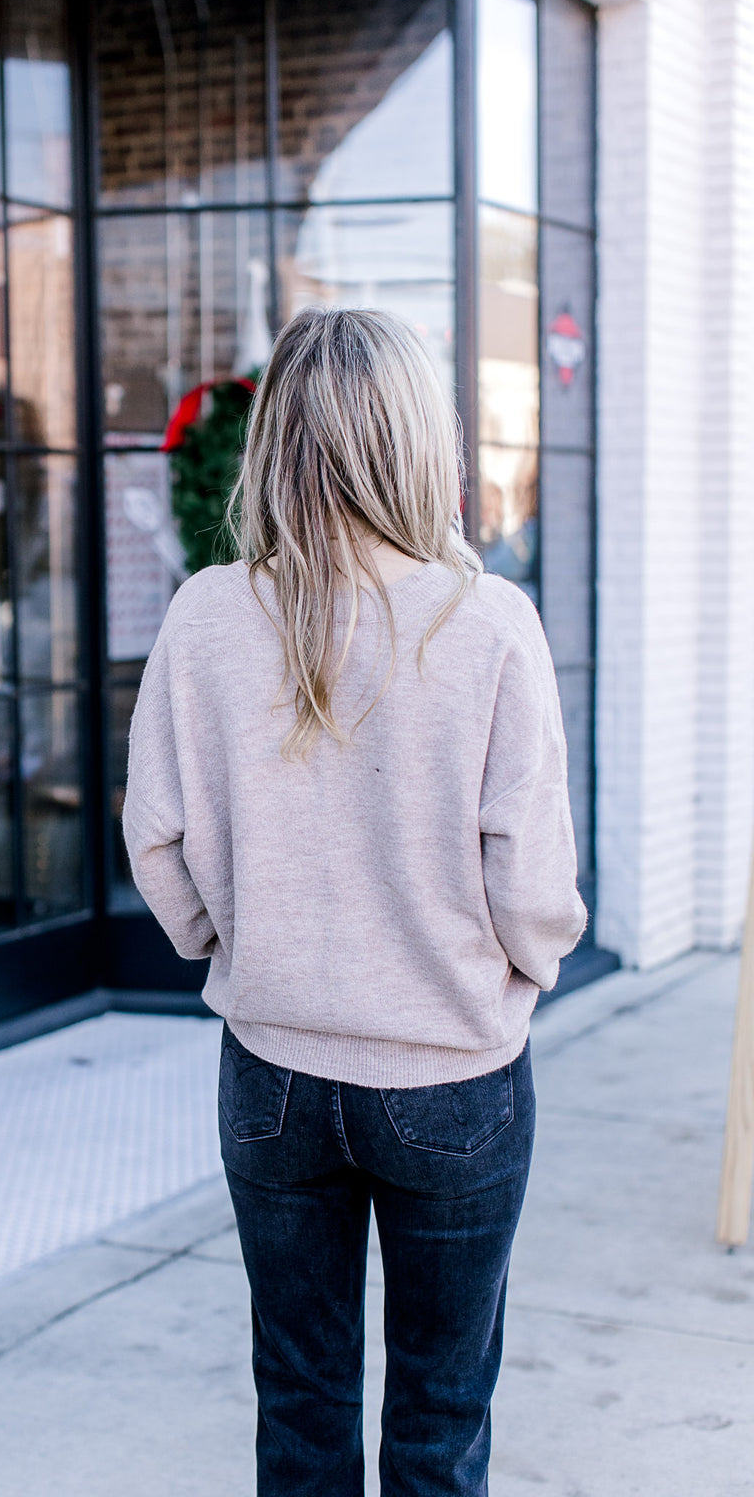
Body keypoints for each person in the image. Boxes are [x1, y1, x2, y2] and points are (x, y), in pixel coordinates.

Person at [122, 307, 587, 1497]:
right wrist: (514, 979)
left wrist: (235, 946)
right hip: (452, 1078)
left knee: (300, 1400)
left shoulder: (207, 615)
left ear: (274, 437)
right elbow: (532, 884)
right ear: (418, 442)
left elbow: (158, 840)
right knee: (439, 1417)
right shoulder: (488, 622)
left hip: (271, 1073)